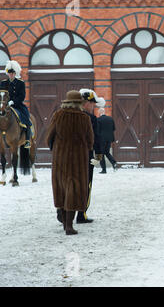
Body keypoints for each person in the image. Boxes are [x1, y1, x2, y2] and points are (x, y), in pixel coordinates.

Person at [46, 90, 94, 235]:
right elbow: (90, 141)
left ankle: (62, 216)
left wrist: (54, 148)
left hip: (60, 158)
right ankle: (69, 225)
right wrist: (86, 148)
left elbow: (49, 137)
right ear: (79, 103)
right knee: (74, 189)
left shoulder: (58, 115)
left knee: (61, 187)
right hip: (78, 160)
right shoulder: (85, 118)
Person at [77, 88, 105, 223]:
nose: (93, 106)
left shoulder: (72, 115)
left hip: (71, 156)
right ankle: (81, 213)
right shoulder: (91, 118)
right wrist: (98, 154)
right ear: (86, 103)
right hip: (87, 156)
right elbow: (96, 138)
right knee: (86, 184)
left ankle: (66, 211)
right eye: (92, 104)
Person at [0, 60, 32, 148]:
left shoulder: (20, 83)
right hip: (5, 105)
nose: (11, 75)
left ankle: (27, 140)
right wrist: (5, 102)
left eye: (13, 73)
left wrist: (13, 101)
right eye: (9, 73)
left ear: (15, 73)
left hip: (17, 105)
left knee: (27, 119)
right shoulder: (3, 83)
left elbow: (22, 96)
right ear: (7, 73)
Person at [97, 107, 117, 174]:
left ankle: (104, 169)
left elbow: (97, 131)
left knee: (100, 154)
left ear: (100, 112)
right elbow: (113, 129)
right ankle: (114, 162)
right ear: (104, 112)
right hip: (109, 139)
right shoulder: (110, 119)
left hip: (101, 139)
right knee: (107, 152)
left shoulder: (98, 120)